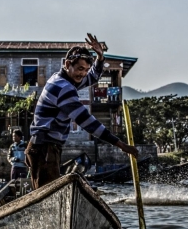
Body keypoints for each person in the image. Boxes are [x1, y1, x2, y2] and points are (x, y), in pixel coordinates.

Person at [25, 33, 138, 189]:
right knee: (46, 196)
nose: (83, 73)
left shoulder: (63, 79)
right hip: (44, 148)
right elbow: (86, 121)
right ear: (67, 64)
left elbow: (92, 78)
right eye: (79, 69)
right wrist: (121, 145)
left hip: (46, 147)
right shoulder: (63, 87)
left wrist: (100, 57)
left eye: (86, 69)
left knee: (47, 194)